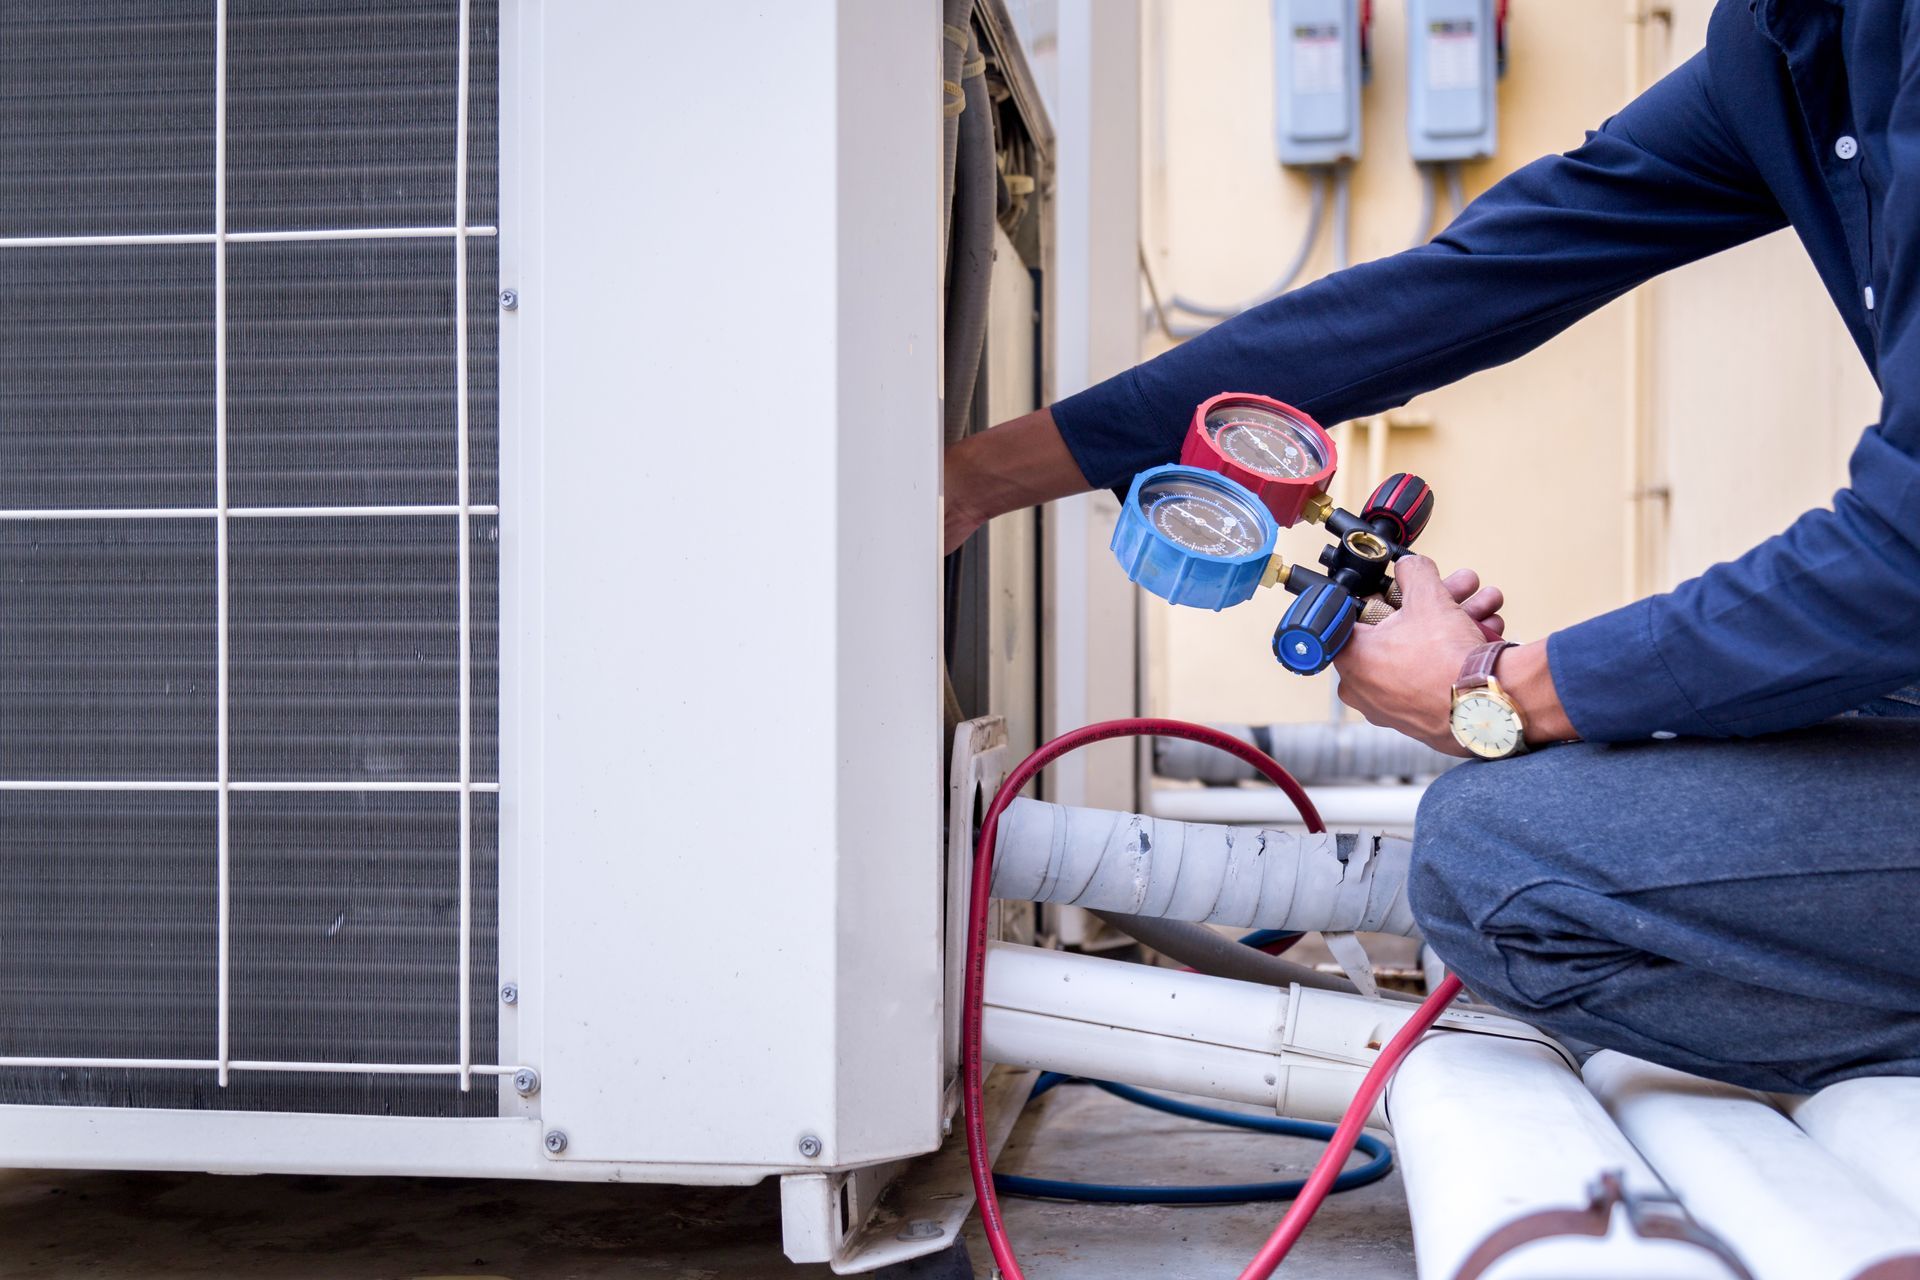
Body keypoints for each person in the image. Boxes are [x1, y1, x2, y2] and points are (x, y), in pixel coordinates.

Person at [944, 0, 1920, 1093]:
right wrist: (982, 478)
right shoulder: (1789, 44)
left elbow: (1905, 548)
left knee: (1499, 866)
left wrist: (1495, 690)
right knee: (1586, 779)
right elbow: (1464, 283)